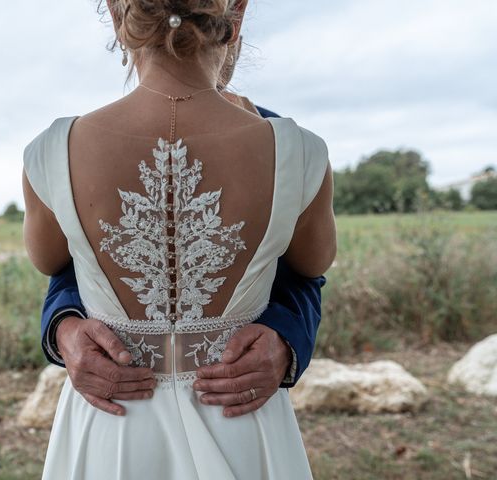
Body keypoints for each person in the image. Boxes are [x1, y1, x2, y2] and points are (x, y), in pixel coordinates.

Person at [22, 1, 336, 478]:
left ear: (119, 19)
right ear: (235, 20)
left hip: (115, 424)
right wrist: (62, 326)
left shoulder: (52, 151)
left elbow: (52, 260)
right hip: (240, 421)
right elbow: (313, 265)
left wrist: (288, 340)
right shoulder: (299, 151)